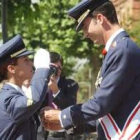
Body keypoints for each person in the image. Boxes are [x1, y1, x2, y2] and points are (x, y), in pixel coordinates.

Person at [40, 0, 140, 140]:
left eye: (85, 27)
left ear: (100, 18)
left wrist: (62, 117)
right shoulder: (116, 50)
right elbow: (106, 113)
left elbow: (101, 105)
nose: (85, 34)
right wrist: (63, 124)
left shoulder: (123, 50)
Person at [0, 34, 51, 140]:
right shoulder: (7, 98)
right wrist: (42, 69)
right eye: (26, 60)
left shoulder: (16, 94)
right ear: (12, 69)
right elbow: (32, 100)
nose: (31, 63)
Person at [40, 52, 79, 140]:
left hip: (63, 135)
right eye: (52, 67)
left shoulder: (71, 84)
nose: (55, 70)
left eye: (58, 68)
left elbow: (70, 108)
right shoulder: (37, 83)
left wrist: (55, 90)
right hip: (43, 135)